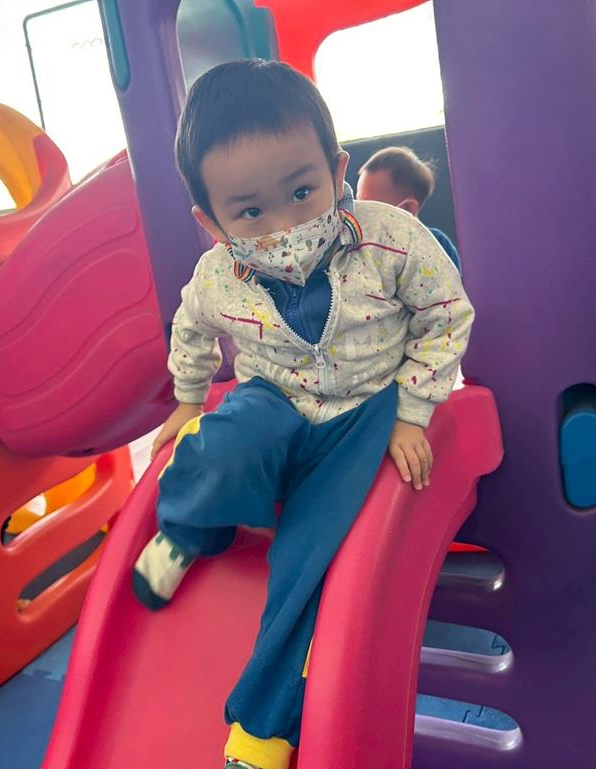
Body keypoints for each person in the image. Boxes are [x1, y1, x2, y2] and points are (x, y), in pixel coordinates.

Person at [129, 60, 473, 769]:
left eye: (301, 191)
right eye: (251, 212)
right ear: (211, 222)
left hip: (361, 413)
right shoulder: (218, 274)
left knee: (310, 560)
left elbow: (445, 312)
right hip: (274, 397)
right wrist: (190, 397)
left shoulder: (388, 239)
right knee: (221, 440)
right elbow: (191, 328)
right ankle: (191, 529)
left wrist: (413, 409)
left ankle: (262, 727)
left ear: (337, 169)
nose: (286, 224)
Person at [356, 145, 460, 270]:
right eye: (358, 202)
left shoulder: (436, 246)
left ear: (407, 209)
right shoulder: (356, 247)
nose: (358, 213)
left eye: (369, 206)